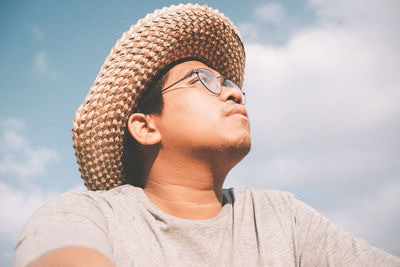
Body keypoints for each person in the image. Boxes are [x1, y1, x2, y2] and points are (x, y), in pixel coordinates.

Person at [14, 4, 399, 267]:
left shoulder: (281, 217)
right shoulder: (86, 215)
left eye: (230, 83)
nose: (233, 92)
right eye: (205, 80)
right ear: (146, 126)